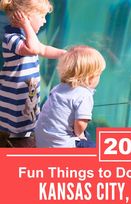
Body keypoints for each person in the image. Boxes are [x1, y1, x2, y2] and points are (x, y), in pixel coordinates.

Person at [0, 0, 66, 147]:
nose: (44, 21)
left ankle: (23, 138)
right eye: (42, 16)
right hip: (15, 94)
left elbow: (44, 50)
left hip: (27, 92)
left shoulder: (29, 39)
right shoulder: (11, 37)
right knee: (17, 125)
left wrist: (64, 54)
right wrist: (26, 25)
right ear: (26, 17)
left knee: (27, 118)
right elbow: (34, 49)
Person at [35, 45, 106, 148]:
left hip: (43, 141)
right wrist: (80, 135)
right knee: (98, 149)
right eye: (98, 74)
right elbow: (80, 125)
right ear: (89, 76)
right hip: (61, 146)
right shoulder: (84, 95)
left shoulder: (59, 87)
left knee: (86, 135)